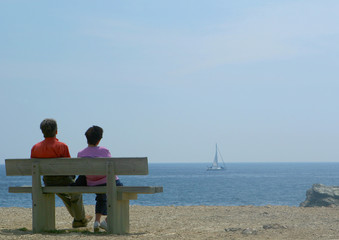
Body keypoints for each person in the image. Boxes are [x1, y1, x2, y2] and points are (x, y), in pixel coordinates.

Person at [31, 118, 92, 228]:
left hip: (48, 181)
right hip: (64, 180)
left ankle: (80, 219)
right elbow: (69, 167)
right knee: (75, 191)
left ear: (42, 131)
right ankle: (79, 219)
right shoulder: (62, 146)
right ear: (56, 131)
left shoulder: (35, 148)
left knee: (64, 194)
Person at [77, 125, 123, 232]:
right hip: (106, 181)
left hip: (92, 182)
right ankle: (106, 221)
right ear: (99, 140)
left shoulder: (81, 153)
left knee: (101, 196)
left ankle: (97, 222)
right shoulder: (104, 151)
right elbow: (111, 170)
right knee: (121, 190)